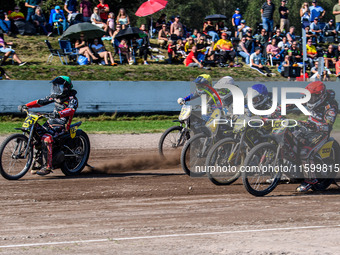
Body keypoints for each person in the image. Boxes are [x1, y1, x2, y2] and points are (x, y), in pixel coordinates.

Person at [18, 76, 78, 176]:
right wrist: (26, 106)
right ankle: (37, 161)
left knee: (47, 138)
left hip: (62, 125)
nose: (56, 89)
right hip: (50, 123)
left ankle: (47, 166)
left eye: (59, 87)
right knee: (35, 133)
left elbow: (71, 110)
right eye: (55, 87)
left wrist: (59, 114)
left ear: (66, 87)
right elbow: (40, 102)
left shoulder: (72, 99)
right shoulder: (55, 97)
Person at [295, 81, 338, 192]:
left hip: (321, 132)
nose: (310, 99)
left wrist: (311, 125)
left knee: (305, 152)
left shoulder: (330, 106)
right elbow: (293, 103)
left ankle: (310, 180)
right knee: (289, 137)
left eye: (314, 96)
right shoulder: (308, 98)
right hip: (308, 128)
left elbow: (327, 126)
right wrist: (277, 109)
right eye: (309, 96)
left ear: (321, 96)